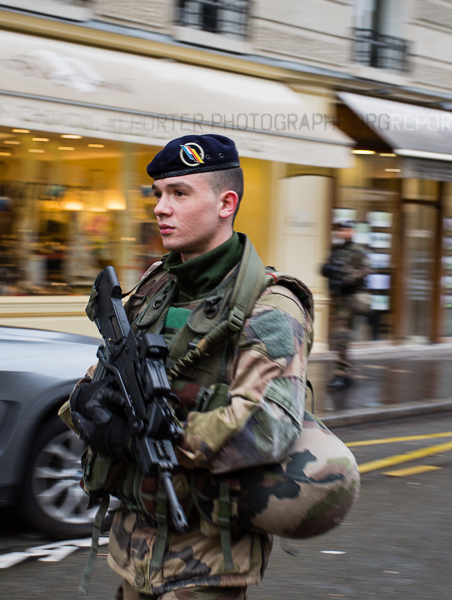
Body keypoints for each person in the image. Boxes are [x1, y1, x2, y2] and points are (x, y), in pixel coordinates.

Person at [63, 134, 314, 600]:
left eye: (179, 193)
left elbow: (267, 428)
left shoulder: (272, 306)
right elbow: (99, 376)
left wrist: (141, 440)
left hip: (206, 562)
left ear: (226, 203)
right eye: (158, 194)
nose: (160, 207)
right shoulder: (157, 284)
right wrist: (86, 403)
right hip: (133, 548)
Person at [321, 220, 370, 390]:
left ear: (353, 231)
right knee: (341, 337)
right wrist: (327, 269)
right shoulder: (337, 250)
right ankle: (346, 372)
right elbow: (328, 268)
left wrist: (346, 277)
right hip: (339, 298)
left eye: (346, 230)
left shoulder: (358, 251)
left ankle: (341, 374)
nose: (343, 233)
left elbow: (365, 270)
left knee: (341, 337)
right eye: (341, 230)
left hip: (351, 298)